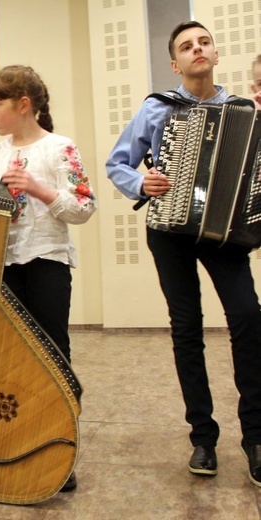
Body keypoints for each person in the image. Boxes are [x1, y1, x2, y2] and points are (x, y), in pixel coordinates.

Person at [106, 21, 261, 487]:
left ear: (215, 54)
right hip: (170, 230)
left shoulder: (245, 110)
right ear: (175, 63)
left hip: (225, 231)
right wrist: (142, 183)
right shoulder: (157, 108)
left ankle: (255, 435)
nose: (197, 50)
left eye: (204, 43)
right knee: (186, 327)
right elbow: (118, 163)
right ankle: (203, 437)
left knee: (249, 318)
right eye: (186, 47)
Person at [0, 64, 96, 491]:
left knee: (52, 353)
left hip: (47, 262)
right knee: (8, 356)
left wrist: (39, 188)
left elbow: (83, 207)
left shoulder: (60, 148)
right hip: (3, 264)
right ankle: (17, 436)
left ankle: (60, 447)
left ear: (24, 105)